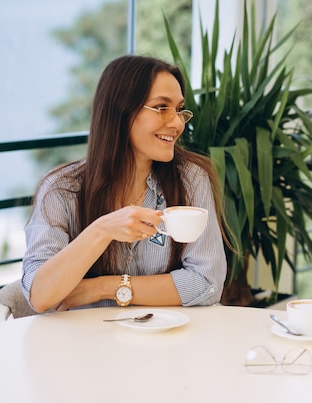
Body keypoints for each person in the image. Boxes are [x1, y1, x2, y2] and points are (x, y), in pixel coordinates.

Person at [21, 55, 227, 312]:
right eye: (162, 108)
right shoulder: (61, 190)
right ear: (122, 112)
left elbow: (206, 282)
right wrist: (102, 230)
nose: (176, 123)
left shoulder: (191, 179)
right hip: (83, 346)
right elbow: (40, 295)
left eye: (178, 110)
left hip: (165, 345)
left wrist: (102, 287)